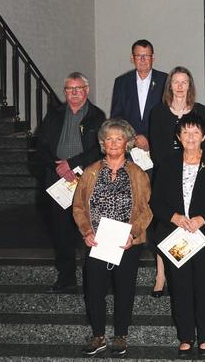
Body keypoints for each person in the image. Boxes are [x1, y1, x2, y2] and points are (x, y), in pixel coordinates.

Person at [151, 114, 205, 357]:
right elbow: (156, 201)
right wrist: (174, 217)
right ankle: (185, 336)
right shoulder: (167, 163)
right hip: (175, 233)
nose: (190, 137)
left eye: (195, 132)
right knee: (180, 285)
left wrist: (201, 219)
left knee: (204, 284)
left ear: (204, 136)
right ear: (178, 136)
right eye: (185, 132)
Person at [72, 119, 152, 356]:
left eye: (119, 139)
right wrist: (86, 231)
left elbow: (146, 209)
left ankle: (120, 335)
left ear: (127, 143)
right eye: (109, 138)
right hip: (96, 241)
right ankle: (98, 335)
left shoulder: (137, 173)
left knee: (124, 288)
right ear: (102, 143)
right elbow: (78, 207)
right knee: (94, 289)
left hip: (127, 242)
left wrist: (133, 233)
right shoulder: (90, 171)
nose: (114, 143)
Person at [148, 66, 205, 297]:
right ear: (169, 86)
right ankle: (160, 275)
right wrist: (172, 171)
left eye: (184, 82)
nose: (179, 86)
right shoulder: (158, 112)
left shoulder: (199, 110)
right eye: (175, 82)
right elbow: (156, 150)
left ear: (190, 86)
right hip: (167, 176)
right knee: (165, 224)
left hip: (195, 175)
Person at [35, 72, 106, 293]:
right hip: (58, 182)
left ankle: (93, 278)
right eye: (69, 89)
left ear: (87, 90)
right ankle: (66, 277)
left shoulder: (97, 116)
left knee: (89, 229)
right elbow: (41, 146)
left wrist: (73, 164)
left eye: (78, 88)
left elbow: (100, 148)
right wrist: (58, 166)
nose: (73, 93)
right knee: (61, 231)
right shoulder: (54, 115)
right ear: (64, 92)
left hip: (85, 180)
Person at [110, 39, 168, 151]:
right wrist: (134, 138)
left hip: (158, 145)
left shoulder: (165, 80)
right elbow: (116, 117)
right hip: (129, 146)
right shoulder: (121, 82)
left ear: (153, 58)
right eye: (138, 56)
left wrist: (148, 139)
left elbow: (167, 115)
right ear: (132, 58)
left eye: (146, 56)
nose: (142, 60)